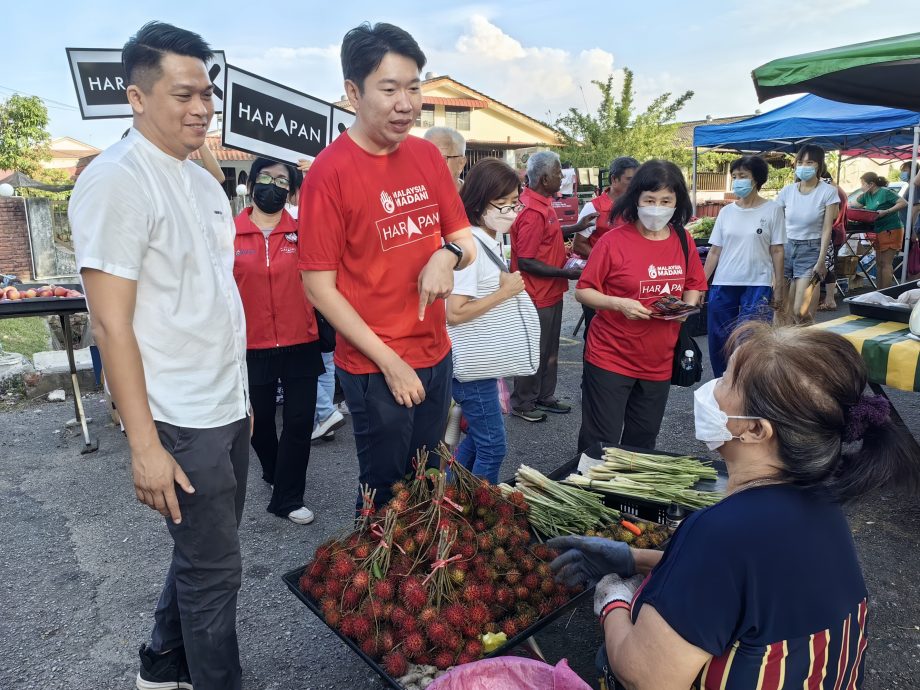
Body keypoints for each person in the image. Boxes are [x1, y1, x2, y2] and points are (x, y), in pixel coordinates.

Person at [549, 323, 919, 689]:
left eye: (726, 380)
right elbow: (742, 583)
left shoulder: (722, 532)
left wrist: (613, 599)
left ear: (756, 430)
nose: (711, 389)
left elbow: (646, 677)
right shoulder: (821, 499)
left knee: (611, 659)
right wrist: (634, 558)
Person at [70, 22, 249, 690]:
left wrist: (242, 400)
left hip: (225, 403)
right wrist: (144, 445)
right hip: (178, 411)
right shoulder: (117, 179)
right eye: (183, 94)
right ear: (137, 98)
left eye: (207, 93)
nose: (201, 107)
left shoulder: (201, 181)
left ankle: (163, 662)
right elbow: (110, 325)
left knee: (203, 551)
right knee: (215, 570)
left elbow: (211, 298)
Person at [298, 22, 476, 510]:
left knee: (428, 480)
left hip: (436, 353)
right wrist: (390, 362)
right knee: (385, 494)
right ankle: (377, 561)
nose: (406, 104)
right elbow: (318, 287)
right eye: (390, 89)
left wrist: (447, 255)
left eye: (414, 88)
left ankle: (425, 557)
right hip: (376, 365)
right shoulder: (329, 173)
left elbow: (465, 241)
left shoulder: (427, 156)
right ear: (353, 93)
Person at [575, 160, 706, 452]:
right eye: (649, 200)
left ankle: (627, 486)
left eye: (665, 201)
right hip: (611, 355)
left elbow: (694, 283)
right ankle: (591, 481)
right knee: (600, 442)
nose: (657, 208)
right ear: (636, 199)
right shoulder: (612, 242)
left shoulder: (682, 239)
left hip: (659, 360)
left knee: (643, 442)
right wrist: (618, 303)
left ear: (677, 202)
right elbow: (583, 291)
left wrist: (685, 309)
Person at [233, 157, 324, 524]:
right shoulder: (228, 234)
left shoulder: (304, 232)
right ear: (253, 181)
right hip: (251, 345)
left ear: (292, 190)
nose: (273, 186)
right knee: (259, 426)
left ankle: (288, 497)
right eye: (266, 177)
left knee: (300, 422)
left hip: (301, 340)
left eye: (283, 181)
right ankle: (274, 472)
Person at [446, 159, 527, 483]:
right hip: (472, 366)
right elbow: (454, 312)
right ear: (479, 201)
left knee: (480, 440)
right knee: (493, 446)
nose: (509, 210)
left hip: (484, 360)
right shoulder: (471, 246)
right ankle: (479, 508)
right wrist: (504, 293)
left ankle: (449, 497)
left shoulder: (489, 238)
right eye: (501, 203)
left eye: (514, 202)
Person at [509, 151, 592, 422]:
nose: (562, 177)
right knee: (534, 350)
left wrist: (576, 227)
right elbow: (526, 260)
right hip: (536, 294)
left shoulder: (542, 203)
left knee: (549, 350)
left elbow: (549, 234)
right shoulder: (532, 211)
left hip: (550, 292)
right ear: (544, 179)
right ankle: (523, 402)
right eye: (558, 172)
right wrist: (564, 272)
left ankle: (544, 396)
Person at [703, 155, 784, 377]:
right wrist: (700, 284)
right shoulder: (726, 212)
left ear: (756, 179)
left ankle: (748, 382)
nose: (738, 181)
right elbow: (715, 250)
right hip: (724, 281)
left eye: (743, 176)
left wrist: (779, 286)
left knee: (750, 337)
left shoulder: (773, 209)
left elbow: (777, 250)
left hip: (758, 283)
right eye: (735, 176)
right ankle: (722, 381)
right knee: (719, 336)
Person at [573, 156, 639, 338]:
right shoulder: (593, 207)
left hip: (629, 283)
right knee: (596, 330)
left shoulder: (639, 206)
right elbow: (578, 245)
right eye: (629, 179)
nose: (635, 184)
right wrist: (610, 262)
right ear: (614, 179)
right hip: (599, 284)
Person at [775, 145, 840, 325]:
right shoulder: (787, 190)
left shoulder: (828, 191)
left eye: (809, 162)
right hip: (786, 248)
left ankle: (812, 335)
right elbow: (775, 222)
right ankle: (785, 341)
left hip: (811, 250)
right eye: (800, 162)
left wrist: (821, 260)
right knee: (780, 308)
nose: (803, 166)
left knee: (800, 310)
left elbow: (827, 229)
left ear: (819, 165)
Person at [850, 171, 907, 289]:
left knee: (886, 264)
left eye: (863, 184)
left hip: (891, 229)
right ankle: (879, 291)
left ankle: (886, 292)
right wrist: (859, 196)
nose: (862, 186)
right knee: (879, 263)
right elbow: (853, 205)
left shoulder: (885, 192)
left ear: (871, 184)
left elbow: (903, 203)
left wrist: (887, 211)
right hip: (878, 230)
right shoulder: (867, 195)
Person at [424, 126, 467, 192]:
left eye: (440, 159)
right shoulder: (414, 195)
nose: (429, 166)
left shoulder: (474, 196)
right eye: (424, 159)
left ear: (461, 163)